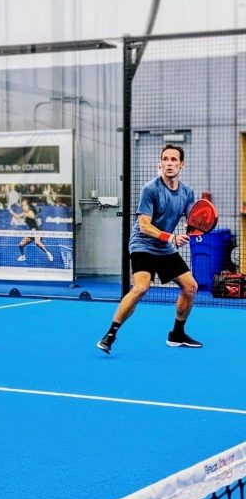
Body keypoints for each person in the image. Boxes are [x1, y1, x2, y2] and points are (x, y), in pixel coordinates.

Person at [97, 143, 200, 355]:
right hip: (142, 244)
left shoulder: (188, 192)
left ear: (182, 165)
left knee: (190, 287)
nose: (169, 163)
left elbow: (192, 221)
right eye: (165, 159)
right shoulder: (150, 189)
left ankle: (177, 334)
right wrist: (171, 237)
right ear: (160, 164)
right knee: (141, 288)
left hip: (164, 247)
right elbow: (144, 225)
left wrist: (194, 233)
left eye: (174, 160)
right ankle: (110, 334)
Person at [11, 198, 54, 263]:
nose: (23, 206)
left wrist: (25, 214)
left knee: (37, 243)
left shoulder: (30, 212)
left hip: (36, 231)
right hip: (31, 232)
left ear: (27, 205)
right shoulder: (24, 213)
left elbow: (32, 216)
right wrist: (10, 211)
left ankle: (48, 253)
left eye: (24, 205)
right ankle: (23, 256)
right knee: (21, 245)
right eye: (22, 205)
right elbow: (17, 217)